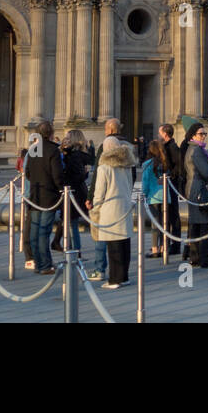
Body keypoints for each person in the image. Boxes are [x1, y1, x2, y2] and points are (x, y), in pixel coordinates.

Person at [90, 139, 138, 289]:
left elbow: (99, 193)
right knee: (124, 243)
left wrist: (95, 209)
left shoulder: (104, 168)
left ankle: (114, 279)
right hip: (124, 206)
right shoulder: (127, 166)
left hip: (110, 208)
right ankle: (124, 276)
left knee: (113, 245)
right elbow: (130, 186)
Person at [86, 119, 126, 280]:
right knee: (119, 239)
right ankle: (120, 273)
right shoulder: (128, 147)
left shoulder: (105, 151)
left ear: (109, 130)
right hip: (122, 201)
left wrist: (92, 200)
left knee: (101, 236)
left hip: (106, 202)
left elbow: (97, 179)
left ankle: (99, 268)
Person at [24, 120, 64, 274]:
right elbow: (57, 174)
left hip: (35, 195)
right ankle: (45, 265)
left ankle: (37, 263)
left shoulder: (33, 149)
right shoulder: (53, 151)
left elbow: (27, 172)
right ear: (51, 134)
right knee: (44, 232)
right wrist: (61, 189)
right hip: (49, 196)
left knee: (35, 230)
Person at [183, 123, 208, 267]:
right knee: (205, 225)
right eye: (201, 134)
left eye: (204, 134)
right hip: (200, 190)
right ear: (193, 135)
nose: (204, 136)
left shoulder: (192, 148)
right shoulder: (198, 151)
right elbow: (206, 173)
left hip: (193, 189)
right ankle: (205, 258)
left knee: (196, 225)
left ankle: (195, 257)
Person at [59, 129, 90, 254]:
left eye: (67, 138)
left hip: (73, 193)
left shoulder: (74, 155)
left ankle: (75, 252)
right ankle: (73, 251)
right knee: (71, 224)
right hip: (75, 192)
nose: (64, 140)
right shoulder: (75, 153)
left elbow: (78, 176)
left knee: (72, 224)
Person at [157, 124, 184, 256]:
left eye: (160, 132)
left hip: (171, 185)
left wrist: (170, 176)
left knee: (173, 214)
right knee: (168, 214)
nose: (158, 135)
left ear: (165, 134)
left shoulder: (172, 147)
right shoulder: (168, 146)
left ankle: (175, 244)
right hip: (168, 184)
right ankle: (167, 243)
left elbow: (179, 165)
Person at [140, 141, 167, 258]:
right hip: (165, 196)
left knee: (155, 224)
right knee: (164, 223)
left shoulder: (147, 164)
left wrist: (144, 194)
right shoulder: (164, 162)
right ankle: (163, 248)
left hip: (153, 196)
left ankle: (155, 249)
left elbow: (145, 182)